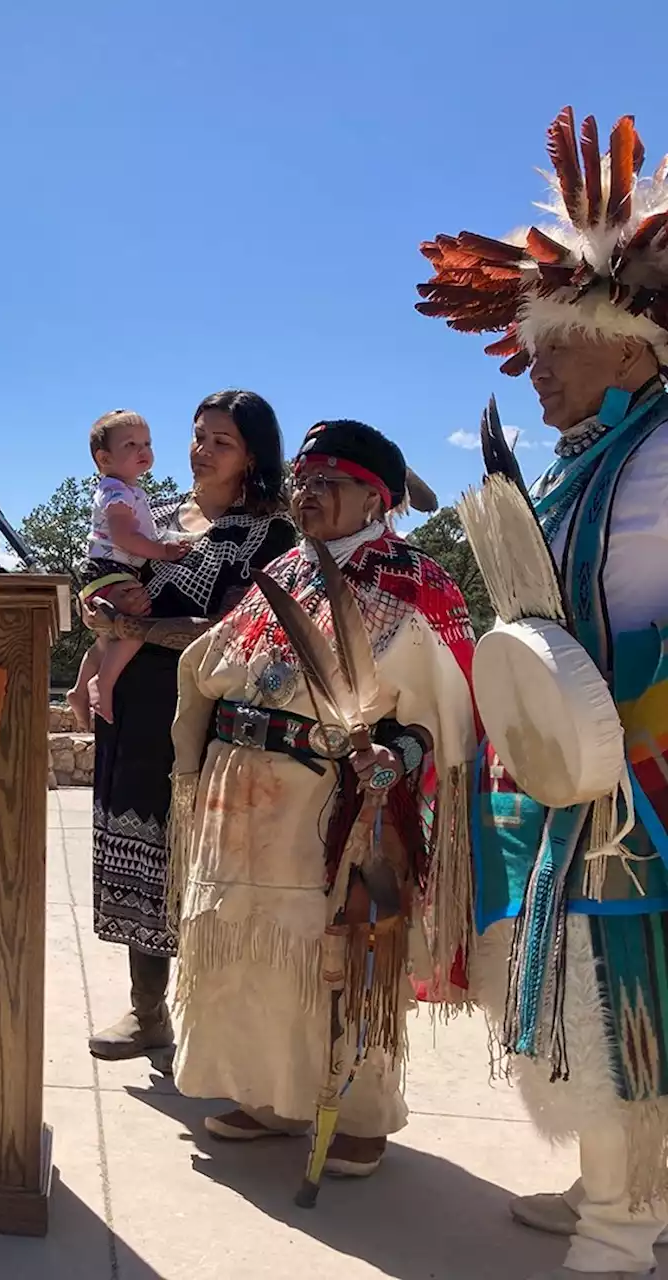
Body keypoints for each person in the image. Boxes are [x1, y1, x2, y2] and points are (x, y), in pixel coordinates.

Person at [417, 106, 668, 1279]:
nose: (537, 368)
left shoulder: (660, 454)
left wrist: (630, 727)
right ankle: (600, 1183)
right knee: (566, 970)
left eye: (559, 345)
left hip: (639, 779)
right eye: (532, 349)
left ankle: (627, 1223)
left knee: (623, 979)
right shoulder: (583, 464)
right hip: (572, 771)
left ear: (632, 344)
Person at [165, 419, 478, 1176]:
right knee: (248, 948)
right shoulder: (289, 574)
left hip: (338, 808)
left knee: (344, 955)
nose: (307, 494)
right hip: (243, 799)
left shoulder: (414, 581)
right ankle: (269, 1093)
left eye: (327, 483)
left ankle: (360, 1115)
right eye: (302, 481)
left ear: (375, 499)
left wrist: (399, 755)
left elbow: (453, 707)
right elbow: (214, 666)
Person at [88, 389, 296, 1061]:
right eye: (198, 435)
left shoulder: (270, 531)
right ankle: (148, 1012)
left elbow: (238, 632)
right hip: (135, 715)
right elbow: (108, 582)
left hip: (208, 728)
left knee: (202, 871)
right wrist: (96, 646)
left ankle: (216, 1026)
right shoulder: (157, 515)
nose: (201, 450)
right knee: (139, 860)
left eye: (221, 441)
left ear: (253, 455)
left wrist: (135, 629)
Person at [67, 410, 189, 730]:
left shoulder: (127, 490)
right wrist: (163, 552)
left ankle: (79, 691)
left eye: (147, 443)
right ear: (104, 459)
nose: (143, 450)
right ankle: (102, 684)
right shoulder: (116, 492)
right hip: (113, 569)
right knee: (138, 623)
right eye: (131, 444)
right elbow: (124, 536)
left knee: (108, 637)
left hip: (103, 572)